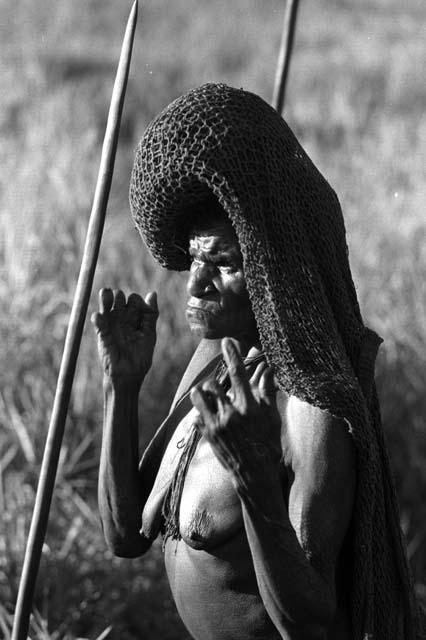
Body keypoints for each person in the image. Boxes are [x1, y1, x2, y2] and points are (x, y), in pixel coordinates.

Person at [91, 83, 423, 640]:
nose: (194, 283)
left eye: (221, 263)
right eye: (193, 259)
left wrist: (254, 478)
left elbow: (307, 621)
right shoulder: (209, 363)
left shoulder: (307, 409)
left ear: (269, 270)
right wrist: (119, 389)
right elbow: (126, 535)